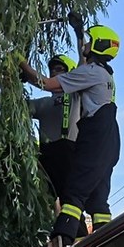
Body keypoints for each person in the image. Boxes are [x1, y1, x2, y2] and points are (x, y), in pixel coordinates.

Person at [20, 23, 121, 244]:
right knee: (98, 198)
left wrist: (22, 64)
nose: (86, 44)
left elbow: (47, 84)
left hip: (94, 138)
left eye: (89, 40)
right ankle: (107, 241)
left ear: (98, 45)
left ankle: (64, 239)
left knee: (74, 192)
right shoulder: (104, 74)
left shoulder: (90, 73)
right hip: (109, 139)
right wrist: (78, 34)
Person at [30, 54, 80, 195]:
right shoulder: (42, 103)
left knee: (68, 197)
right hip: (46, 155)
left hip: (68, 152)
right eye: (52, 70)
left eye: (59, 69)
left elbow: (83, 68)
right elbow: (18, 107)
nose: (53, 72)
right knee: (48, 197)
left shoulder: (76, 95)